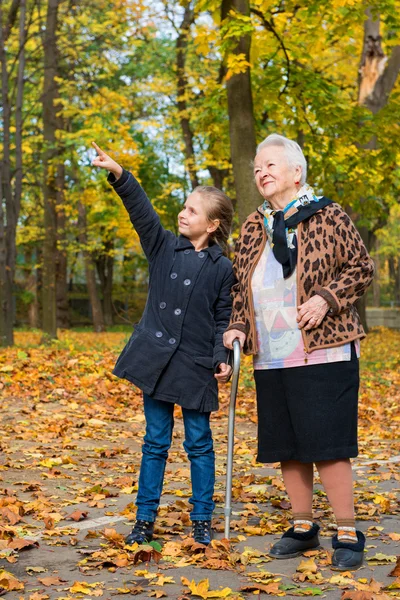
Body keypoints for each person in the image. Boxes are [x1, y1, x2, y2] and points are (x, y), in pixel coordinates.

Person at [223, 134, 374, 570]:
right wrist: (236, 328)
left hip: (324, 347)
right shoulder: (255, 226)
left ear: (296, 172)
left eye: (270, 165)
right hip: (271, 351)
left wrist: (327, 297)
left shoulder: (328, 215)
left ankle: (346, 528)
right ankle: (303, 525)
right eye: (256, 168)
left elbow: (361, 267)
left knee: (326, 441)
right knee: (287, 443)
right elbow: (239, 288)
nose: (261, 173)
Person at [92, 142, 234, 546]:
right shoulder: (162, 247)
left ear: (211, 225)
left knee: (199, 444)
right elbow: (141, 210)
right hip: (155, 362)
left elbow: (222, 318)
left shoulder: (223, 268)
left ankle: (202, 520)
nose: (183, 213)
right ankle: (144, 520)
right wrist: (120, 173)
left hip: (194, 368)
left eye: (192, 210)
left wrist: (220, 356)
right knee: (155, 441)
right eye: (184, 206)